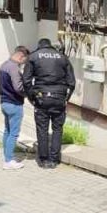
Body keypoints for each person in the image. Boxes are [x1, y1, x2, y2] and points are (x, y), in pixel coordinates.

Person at [22, 38, 76, 168]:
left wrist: (32, 98)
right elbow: (72, 83)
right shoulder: (62, 58)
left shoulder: (33, 57)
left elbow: (26, 81)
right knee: (57, 129)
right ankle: (54, 159)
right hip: (59, 98)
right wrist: (66, 99)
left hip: (41, 98)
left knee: (42, 129)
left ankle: (44, 160)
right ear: (50, 46)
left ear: (39, 46)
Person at [0, 46, 30, 170]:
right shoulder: (14, 68)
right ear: (21, 56)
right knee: (14, 133)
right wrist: (27, 94)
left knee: (7, 130)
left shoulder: (3, 65)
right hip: (14, 104)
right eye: (25, 60)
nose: (24, 63)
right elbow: (18, 87)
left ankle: (6, 156)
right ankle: (9, 161)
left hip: (4, 103)